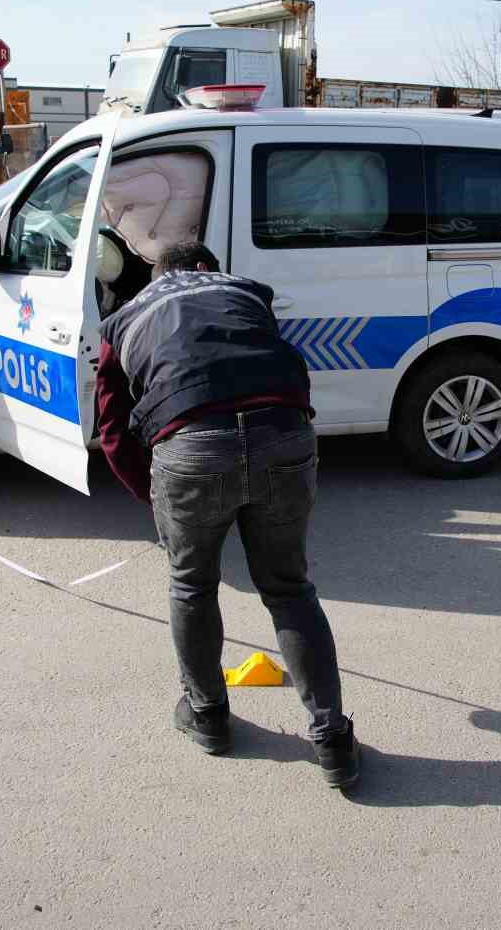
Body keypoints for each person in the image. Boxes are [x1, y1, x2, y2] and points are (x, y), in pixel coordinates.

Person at [94, 241, 360, 787]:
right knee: (289, 589)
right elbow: (281, 368)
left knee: (192, 586)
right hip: (283, 433)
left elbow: (112, 426)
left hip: (189, 446)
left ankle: (208, 715)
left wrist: (155, 496)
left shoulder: (126, 318)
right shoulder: (245, 292)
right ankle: (332, 739)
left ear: (157, 275)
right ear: (207, 270)